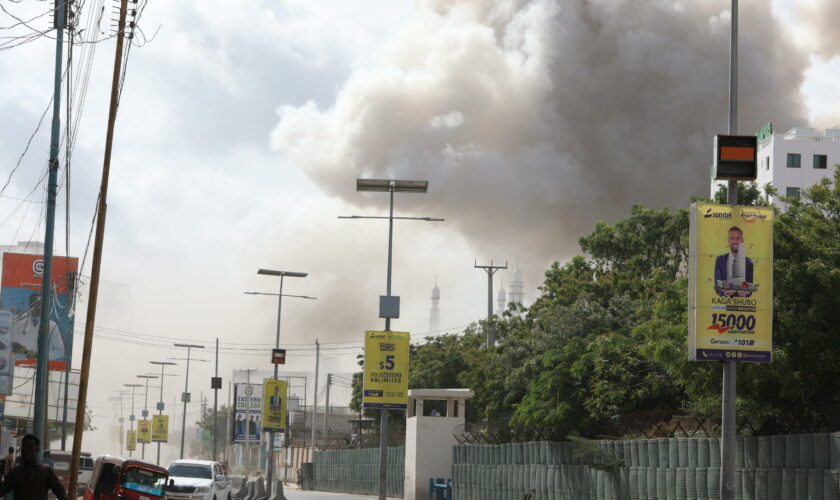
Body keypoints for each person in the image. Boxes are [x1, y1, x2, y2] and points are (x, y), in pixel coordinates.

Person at [0, 433, 67, 500]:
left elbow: (61, 493)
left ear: (37, 449)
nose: (26, 449)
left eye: (30, 446)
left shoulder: (47, 471)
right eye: (24, 446)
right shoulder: (15, 472)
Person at [10, 294, 65, 360]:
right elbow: (10, 346)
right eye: (33, 304)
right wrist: (20, 351)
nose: (36, 307)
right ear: (29, 305)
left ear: (44, 306)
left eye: (39, 304)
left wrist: (38, 356)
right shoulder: (19, 324)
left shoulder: (52, 325)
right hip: (21, 367)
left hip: (41, 367)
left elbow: (60, 351)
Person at [714, 226, 754, 297]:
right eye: (732, 238)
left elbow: (750, 287)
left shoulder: (749, 263)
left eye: (738, 238)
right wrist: (727, 293)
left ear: (742, 240)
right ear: (728, 240)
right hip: (723, 305)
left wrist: (744, 293)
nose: (735, 241)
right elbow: (717, 286)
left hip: (742, 306)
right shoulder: (720, 260)